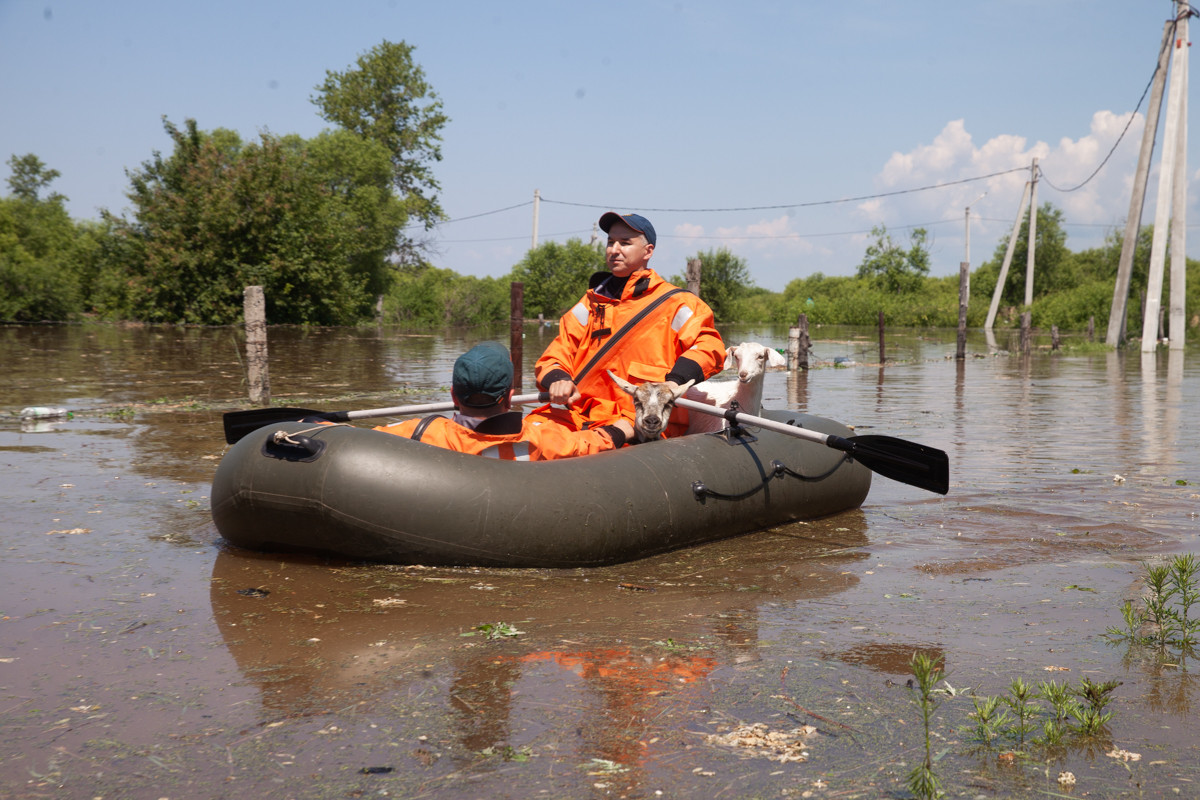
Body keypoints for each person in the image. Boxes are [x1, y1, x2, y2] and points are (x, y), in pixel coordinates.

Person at [532, 211, 725, 438]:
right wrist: (559, 380)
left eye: (625, 243)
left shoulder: (678, 303)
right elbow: (555, 356)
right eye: (610, 242)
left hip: (642, 424)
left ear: (648, 251)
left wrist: (675, 383)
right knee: (532, 430)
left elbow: (709, 346)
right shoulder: (590, 304)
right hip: (582, 418)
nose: (614, 250)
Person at [374, 341, 633, 460]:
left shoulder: (423, 432)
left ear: (453, 396)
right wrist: (619, 430)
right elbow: (594, 442)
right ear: (510, 398)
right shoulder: (543, 438)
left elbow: (358, 439)